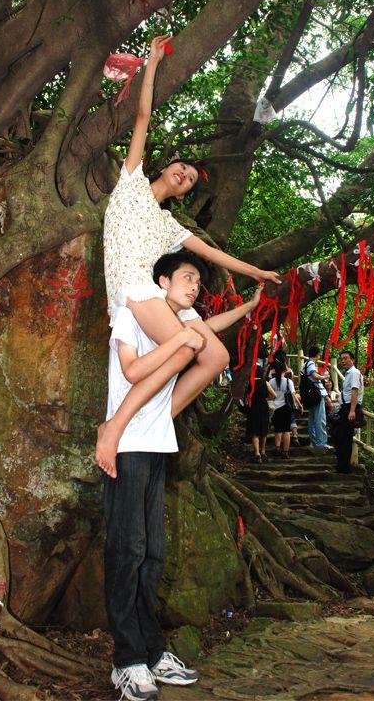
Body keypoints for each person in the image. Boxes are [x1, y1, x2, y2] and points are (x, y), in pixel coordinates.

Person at [97, 35, 280, 478]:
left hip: (149, 296)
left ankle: (152, 417)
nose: (185, 176)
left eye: (191, 181)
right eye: (183, 169)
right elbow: (143, 116)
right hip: (132, 290)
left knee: (213, 356)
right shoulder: (131, 182)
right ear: (166, 166)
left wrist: (257, 272)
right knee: (191, 343)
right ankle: (116, 425)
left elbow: (216, 256)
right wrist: (153, 62)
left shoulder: (170, 227)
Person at [105, 251, 263, 700]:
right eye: (187, 278)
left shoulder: (181, 321)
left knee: (153, 554)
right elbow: (134, 368)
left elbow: (207, 330)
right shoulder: (132, 310)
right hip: (127, 442)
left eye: (199, 282)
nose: (195, 287)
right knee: (126, 551)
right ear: (161, 280)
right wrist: (183, 343)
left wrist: (247, 309)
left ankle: (152, 652)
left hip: (156, 443)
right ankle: (127, 660)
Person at [334, 350, 365, 474]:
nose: (343, 361)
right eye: (341, 359)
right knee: (340, 436)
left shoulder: (353, 373)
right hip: (345, 407)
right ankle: (342, 466)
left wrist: (352, 410)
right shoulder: (349, 373)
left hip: (349, 408)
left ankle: (344, 467)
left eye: (346, 358)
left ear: (353, 360)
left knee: (344, 437)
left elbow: (354, 391)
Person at [245, 355, 276, 463]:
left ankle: (257, 454)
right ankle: (263, 452)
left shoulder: (249, 383)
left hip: (252, 406)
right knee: (263, 429)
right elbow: (274, 395)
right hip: (263, 406)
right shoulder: (265, 383)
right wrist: (266, 398)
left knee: (254, 431)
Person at [269, 356, 300, 459]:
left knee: (277, 430)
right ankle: (285, 452)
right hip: (286, 408)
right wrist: (299, 405)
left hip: (275, 408)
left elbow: (269, 395)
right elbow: (293, 395)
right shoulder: (288, 382)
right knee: (286, 430)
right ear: (285, 370)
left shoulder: (271, 381)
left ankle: (277, 448)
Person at [304, 346, 332, 450]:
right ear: (317, 355)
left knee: (312, 419)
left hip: (309, 395)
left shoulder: (305, 364)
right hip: (316, 395)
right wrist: (324, 377)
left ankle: (314, 441)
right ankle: (321, 443)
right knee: (320, 419)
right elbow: (314, 376)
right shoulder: (311, 363)